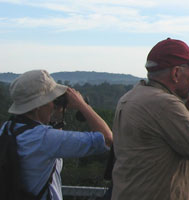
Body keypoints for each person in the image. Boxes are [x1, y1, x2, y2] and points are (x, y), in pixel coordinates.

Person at [111, 38, 189, 200]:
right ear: (176, 73)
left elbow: (160, 140)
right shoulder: (165, 104)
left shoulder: (131, 97)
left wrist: (188, 110)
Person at [1, 70, 113, 199]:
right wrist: (82, 105)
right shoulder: (44, 138)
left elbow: (52, 144)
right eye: (51, 99)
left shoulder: (8, 128)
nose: (53, 104)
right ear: (39, 105)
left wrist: (58, 115)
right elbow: (107, 139)